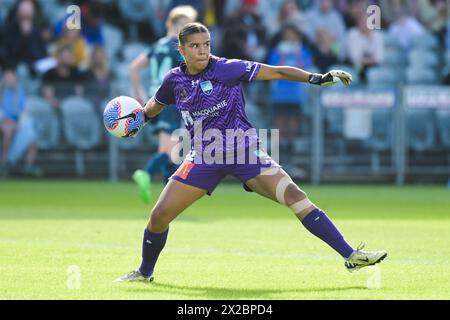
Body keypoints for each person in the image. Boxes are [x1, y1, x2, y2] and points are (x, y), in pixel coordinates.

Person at [113, 22, 387, 283]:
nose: (203, 50)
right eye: (195, 46)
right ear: (181, 50)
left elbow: (277, 72)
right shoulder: (174, 80)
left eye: (206, 44)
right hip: (204, 157)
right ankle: (144, 272)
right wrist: (136, 121)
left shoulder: (228, 68)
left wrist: (317, 78)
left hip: (244, 151)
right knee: (159, 215)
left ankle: (351, 255)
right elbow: (153, 106)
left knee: (296, 197)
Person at [130, 5, 198, 204]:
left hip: (154, 102)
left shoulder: (156, 45)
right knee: (168, 152)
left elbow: (134, 68)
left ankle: (169, 200)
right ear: (178, 26)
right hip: (171, 102)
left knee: (173, 155)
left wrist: (138, 96)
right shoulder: (179, 49)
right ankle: (145, 173)